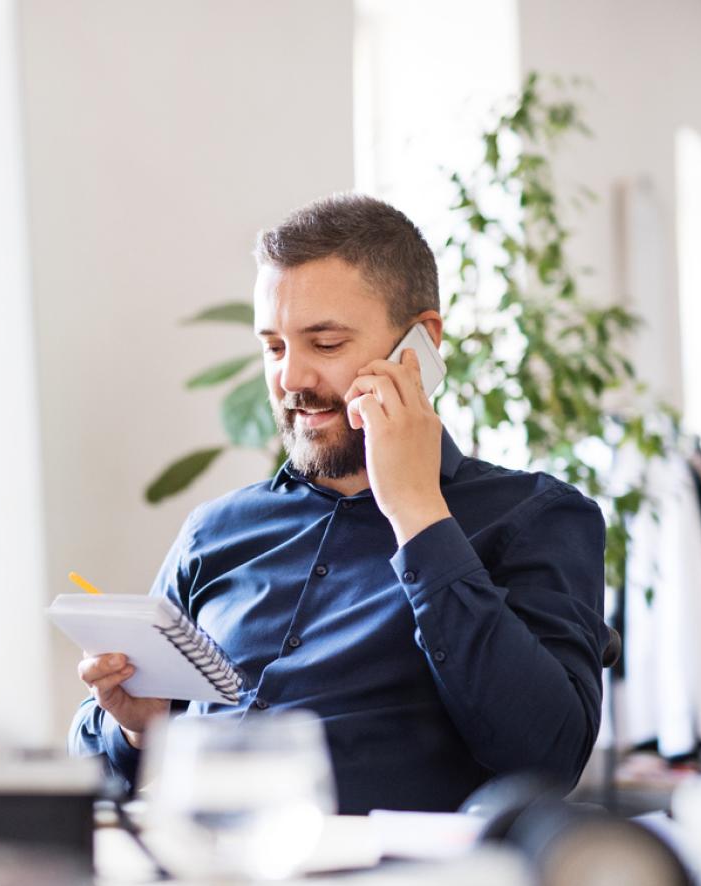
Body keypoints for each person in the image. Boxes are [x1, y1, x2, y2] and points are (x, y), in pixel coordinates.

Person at [69, 194, 609, 814]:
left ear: (420, 344)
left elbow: (549, 757)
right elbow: (92, 778)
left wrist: (416, 512)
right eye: (274, 347)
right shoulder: (214, 532)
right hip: (193, 877)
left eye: (324, 344)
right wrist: (138, 727)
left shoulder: (534, 516)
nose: (291, 379)